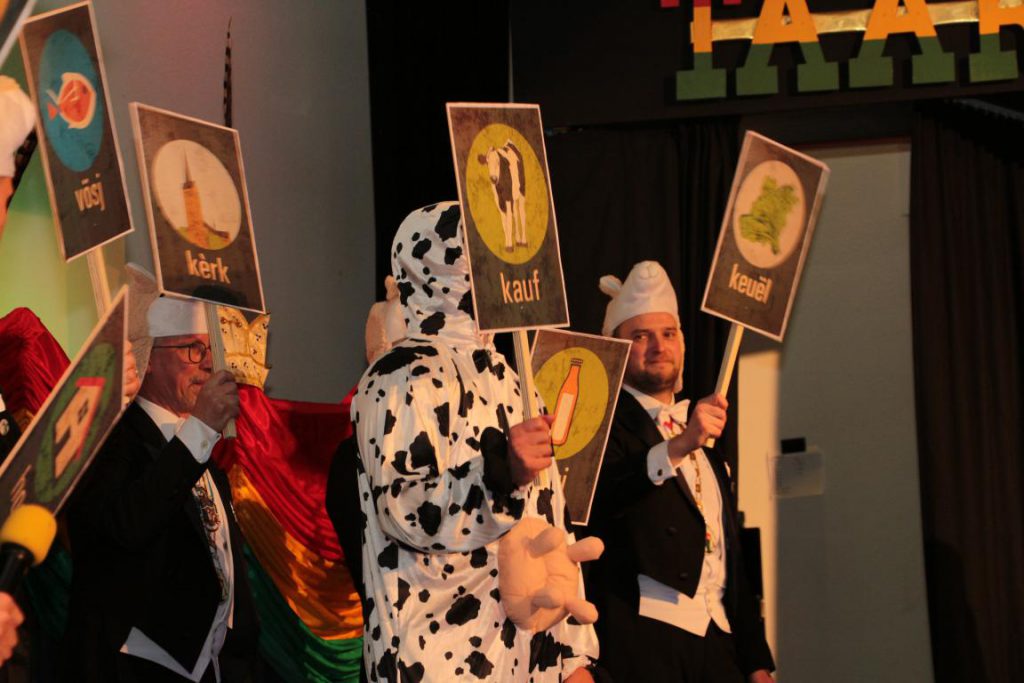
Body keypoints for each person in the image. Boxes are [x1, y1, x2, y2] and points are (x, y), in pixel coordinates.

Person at [351, 202, 598, 682]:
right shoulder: (400, 376)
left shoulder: (514, 379)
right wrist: (500, 475)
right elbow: (404, 510)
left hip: (523, 657)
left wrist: (570, 657)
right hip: (435, 659)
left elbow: (548, 522)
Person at [586, 261, 774, 683]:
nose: (658, 346)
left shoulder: (706, 440)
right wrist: (677, 447)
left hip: (720, 643)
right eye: (640, 336)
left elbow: (730, 559)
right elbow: (601, 500)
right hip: (643, 646)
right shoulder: (598, 423)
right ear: (615, 348)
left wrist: (756, 661)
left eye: (668, 333)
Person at [62, 281, 259, 682]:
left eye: (213, 349)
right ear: (149, 359)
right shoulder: (109, 437)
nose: (209, 364)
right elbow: (128, 526)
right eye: (194, 349)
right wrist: (200, 429)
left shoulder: (203, 452)